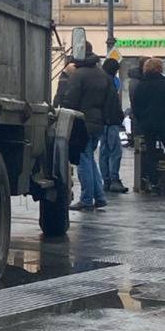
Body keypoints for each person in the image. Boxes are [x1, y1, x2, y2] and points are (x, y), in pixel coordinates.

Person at [59, 42, 121, 211]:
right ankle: (100, 197)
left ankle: (86, 199)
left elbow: (70, 100)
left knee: (83, 161)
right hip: (98, 124)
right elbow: (111, 101)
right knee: (90, 159)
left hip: (82, 123)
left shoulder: (79, 75)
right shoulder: (102, 75)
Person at [130, 57, 165, 192]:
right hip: (164, 122)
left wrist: (142, 120)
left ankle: (153, 180)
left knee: (150, 152)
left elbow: (136, 106)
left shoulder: (141, 85)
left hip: (147, 124)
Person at [100, 57, 128, 194]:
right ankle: (114, 179)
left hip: (102, 121)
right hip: (111, 121)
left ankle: (106, 180)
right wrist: (119, 117)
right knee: (115, 151)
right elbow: (113, 104)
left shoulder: (101, 79)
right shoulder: (110, 82)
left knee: (104, 152)